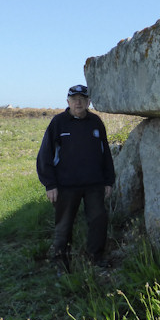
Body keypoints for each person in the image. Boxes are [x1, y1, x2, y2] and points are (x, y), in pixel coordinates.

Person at [36, 85, 116, 273]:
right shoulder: (58, 123)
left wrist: (108, 181)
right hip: (65, 186)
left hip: (94, 184)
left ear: (89, 102)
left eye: (82, 98)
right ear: (68, 102)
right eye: (74, 99)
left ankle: (96, 257)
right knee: (64, 225)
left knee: (98, 220)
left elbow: (105, 154)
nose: (78, 102)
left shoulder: (96, 122)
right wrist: (50, 184)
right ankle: (60, 263)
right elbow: (45, 155)